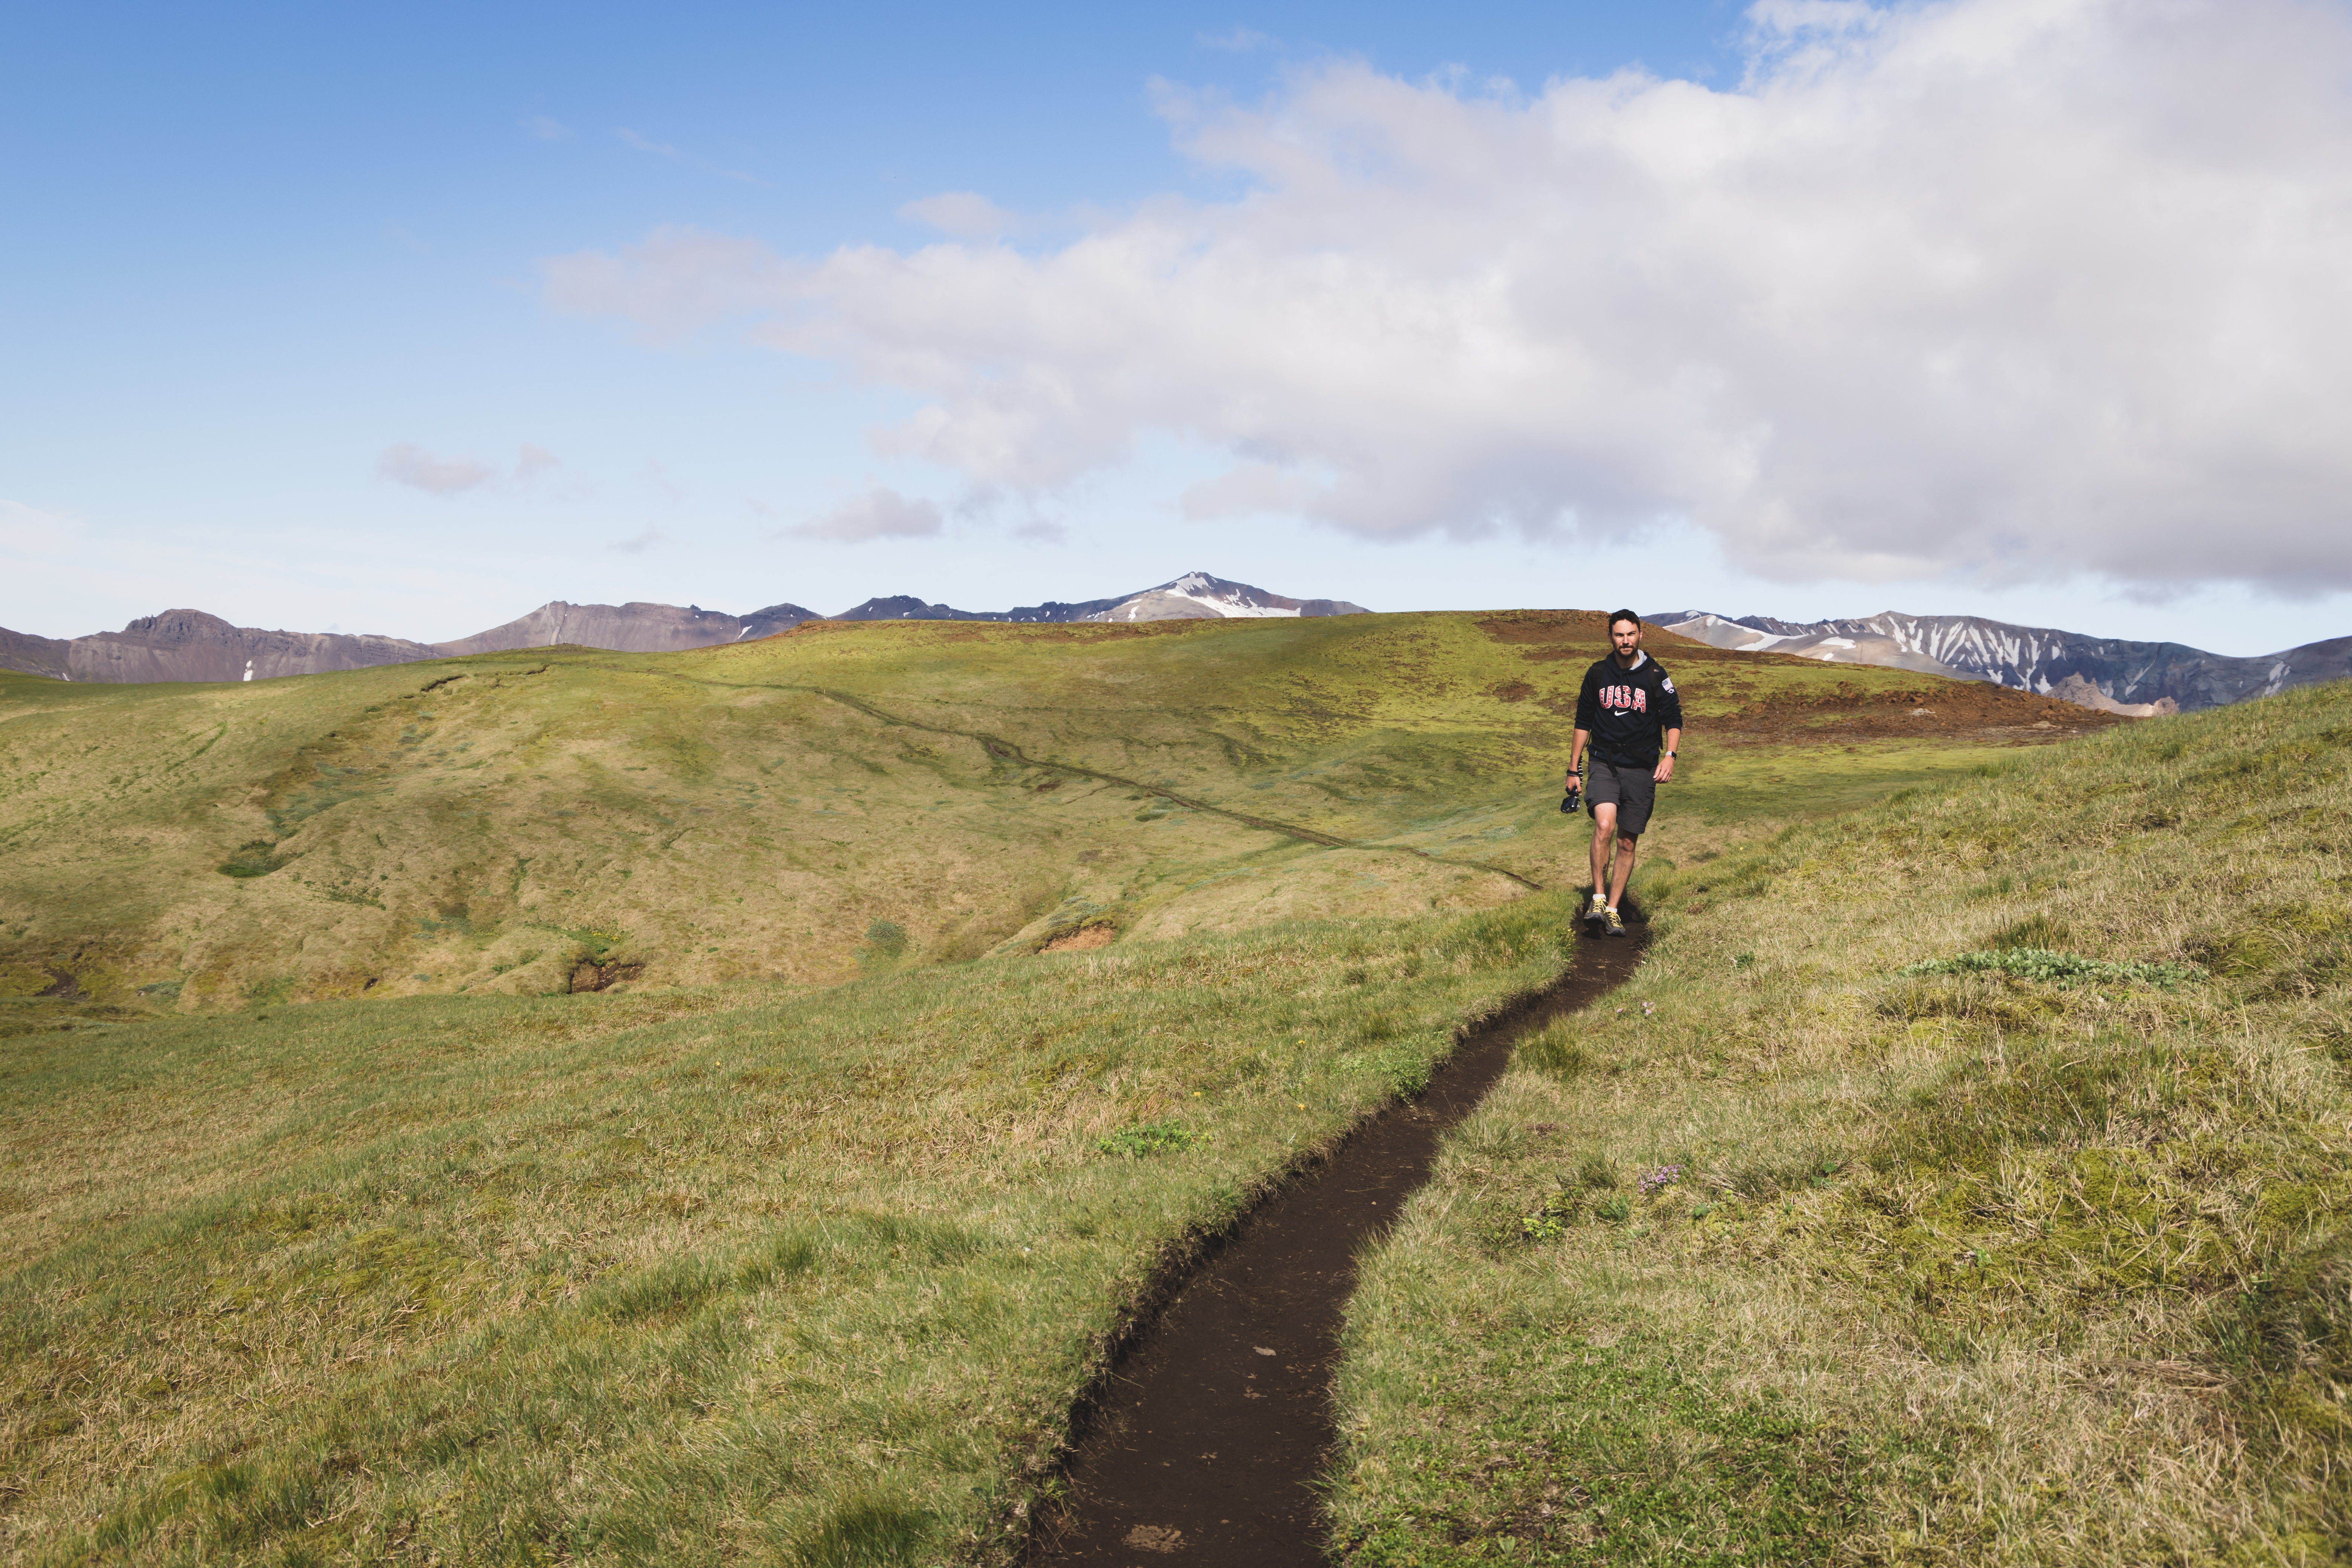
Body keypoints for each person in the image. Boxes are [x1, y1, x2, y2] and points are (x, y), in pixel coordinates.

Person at [1566, 610, 1682, 937]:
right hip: (1604, 762)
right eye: (1620, 635)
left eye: (1631, 634)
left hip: (1642, 768)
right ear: (1611, 637)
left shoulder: (1656, 674)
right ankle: (1599, 898)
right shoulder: (1598, 673)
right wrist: (1573, 769)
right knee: (1604, 825)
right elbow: (1582, 722)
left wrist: (1670, 756)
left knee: (1628, 841)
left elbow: (1674, 719)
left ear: (1641, 635)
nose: (1626, 640)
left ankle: (1614, 910)